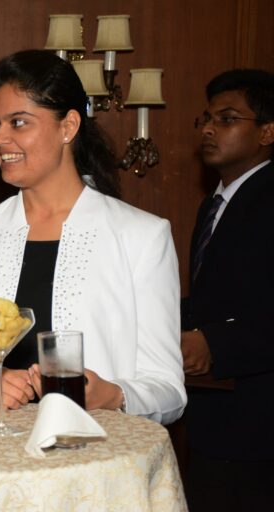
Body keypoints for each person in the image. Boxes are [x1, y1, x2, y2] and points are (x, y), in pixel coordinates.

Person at [0, 50, 186, 425]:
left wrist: (110, 395)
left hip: (94, 459)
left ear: (68, 126)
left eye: (18, 122)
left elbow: (169, 391)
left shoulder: (143, 236)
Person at [181, 69, 274, 510]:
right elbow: (211, 300)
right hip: (212, 411)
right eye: (206, 118)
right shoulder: (214, 203)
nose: (209, 128)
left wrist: (213, 342)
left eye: (228, 118)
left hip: (260, 424)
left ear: (267, 132)